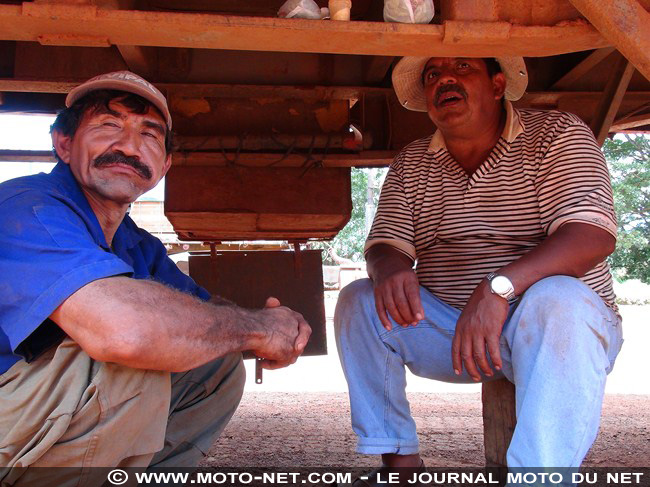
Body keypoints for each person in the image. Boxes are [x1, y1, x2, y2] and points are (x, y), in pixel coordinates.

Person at [0, 71, 311, 483]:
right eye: (109, 126)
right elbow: (127, 334)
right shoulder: (29, 208)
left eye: (148, 135)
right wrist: (258, 328)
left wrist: (271, 323)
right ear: (64, 144)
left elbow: (202, 312)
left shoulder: (135, 242)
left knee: (213, 364)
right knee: (138, 356)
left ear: (163, 165)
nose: (129, 146)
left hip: (26, 412)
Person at [334, 56, 623, 483]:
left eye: (463, 67)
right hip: (456, 336)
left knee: (558, 299)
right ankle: (400, 462)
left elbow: (592, 236)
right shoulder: (412, 162)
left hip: (552, 334)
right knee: (359, 300)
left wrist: (498, 289)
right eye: (432, 75)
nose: (444, 79)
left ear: (497, 83)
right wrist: (389, 268)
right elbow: (384, 245)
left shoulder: (557, 133)